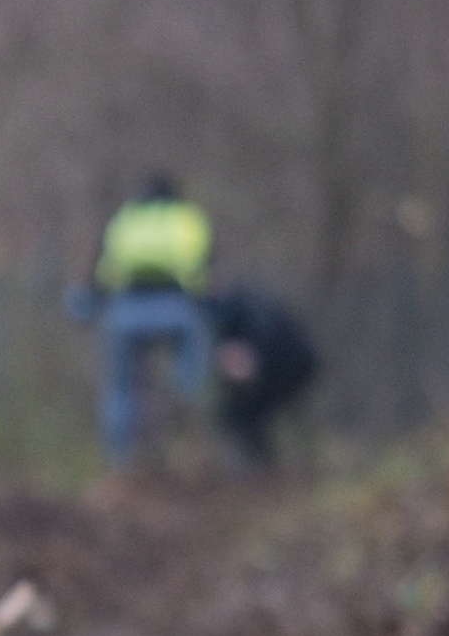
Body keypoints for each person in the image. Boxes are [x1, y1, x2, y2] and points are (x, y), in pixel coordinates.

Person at [82, 174, 216, 469]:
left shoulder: (125, 219)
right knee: (190, 373)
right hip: (176, 305)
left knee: (120, 388)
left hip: (127, 307)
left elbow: (103, 268)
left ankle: (119, 460)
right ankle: (186, 434)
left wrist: (95, 300)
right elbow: (203, 265)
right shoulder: (187, 218)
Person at [199, 284, 320, 471]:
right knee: (237, 414)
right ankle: (262, 469)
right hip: (278, 368)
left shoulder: (252, 311)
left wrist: (248, 359)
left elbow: (257, 350)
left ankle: (266, 471)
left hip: (293, 367)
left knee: (247, 415)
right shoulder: (229, 317)